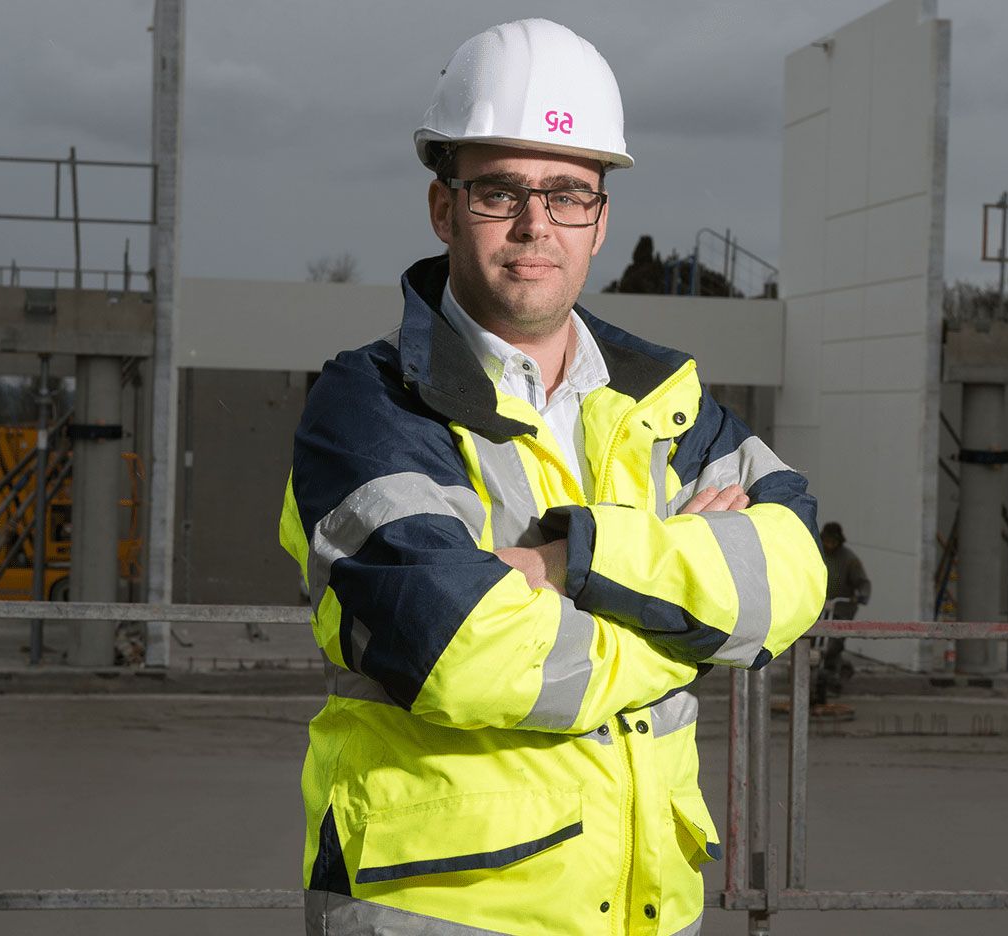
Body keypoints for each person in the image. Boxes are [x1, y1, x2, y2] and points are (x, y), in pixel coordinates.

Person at [278, 19, 826, 936]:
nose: (537, 226)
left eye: (568, 195)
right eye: (501, 192)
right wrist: (686, 624)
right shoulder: (369, 406)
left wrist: (577, 562)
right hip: (444, 907)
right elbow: (458, 648)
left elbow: (796, 570)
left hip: (646, 908)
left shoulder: (665, 398)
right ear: (443, 207)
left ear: (602, 219)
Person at [816, 521, 871, 700]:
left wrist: (861, 595)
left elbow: (863, 583)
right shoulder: (816, 553)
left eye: (833, 541)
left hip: (840, 609)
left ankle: (833, 672)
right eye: (826, 541)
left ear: (839, 541)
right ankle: (812, 673)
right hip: (818, 608)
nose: (829, 545)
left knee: (833, 644)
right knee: (811, 641)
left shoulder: (849, 560)